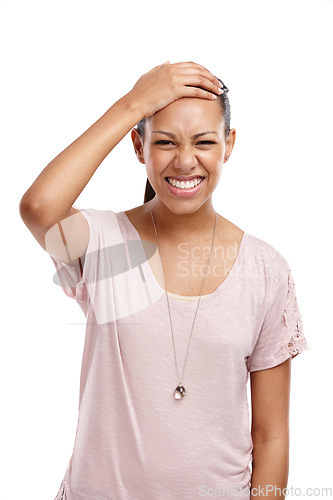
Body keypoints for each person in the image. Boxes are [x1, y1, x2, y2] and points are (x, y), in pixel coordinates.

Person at [19, 61, 309, 500]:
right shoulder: (101, 243)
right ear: (139, 146)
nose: (186, 161)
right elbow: (39, 207)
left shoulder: (266, 270)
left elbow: (271, 435)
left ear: (228, 145)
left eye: (205, 142)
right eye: (166, 142)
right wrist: (134, 103)